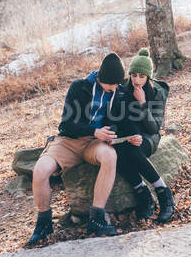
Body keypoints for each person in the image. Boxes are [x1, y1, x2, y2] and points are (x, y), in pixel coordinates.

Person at [28, 52, 125, 245]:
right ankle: (44, 223)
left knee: (110, 156)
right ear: (102, 79)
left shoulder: (118, 92)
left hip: (93, 144)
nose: (116, 87)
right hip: (68, 141)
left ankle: (97, 218)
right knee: (40, 170)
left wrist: (111, 133)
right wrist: (94, 130)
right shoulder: (79, 88)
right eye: (113, 84)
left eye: (118, 84)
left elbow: (119, 122)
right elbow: (66, 125)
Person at [111, 48, 175, 223]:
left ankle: (164, 194)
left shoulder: (157, 92)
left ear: (148, 77)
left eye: (141, 76)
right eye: (134, 75)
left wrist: (142, 103)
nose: (137, 80)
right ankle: (143, 195)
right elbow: (117, 117)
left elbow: (154, 127)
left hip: (149, 137)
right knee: (118, 153)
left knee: (133, 152)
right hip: (128, 135)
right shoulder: (123, 89)